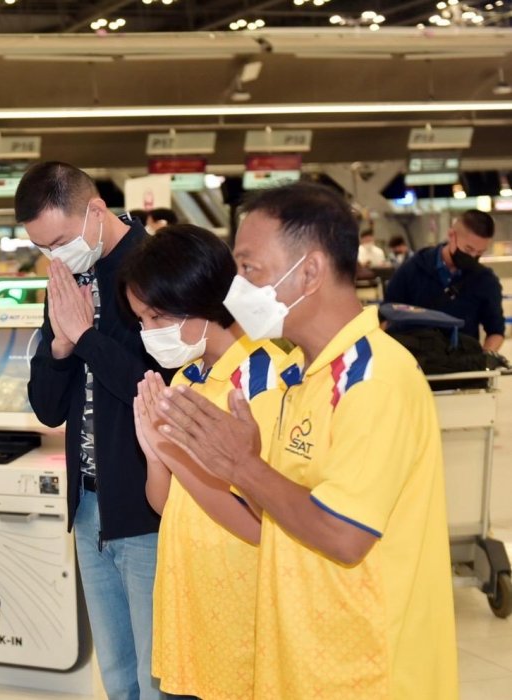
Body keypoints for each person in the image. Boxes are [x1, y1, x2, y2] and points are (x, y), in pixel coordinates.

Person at [155, 181, 457, 698]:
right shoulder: (301, 375)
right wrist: (236, 465)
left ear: (310, 272)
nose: (236, 290)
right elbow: (278, 510)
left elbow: (344, 535)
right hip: (302, 660)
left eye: (250, 269)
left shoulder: (373, 379)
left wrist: (242, 466)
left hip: (365, 672)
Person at [16, 161, 167, 700]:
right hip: (88, 507)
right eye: (42, 248)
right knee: (118, 674)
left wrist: (86, 337)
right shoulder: (66, 279)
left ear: (96, 212)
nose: (54, 257)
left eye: (59, 241)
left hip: (147, 505)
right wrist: (60, 347)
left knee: (158, 676)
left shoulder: (155, 270)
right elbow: (47, 408)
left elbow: (158, 390)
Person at [119, 225, 289, 700]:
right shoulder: (187, 379)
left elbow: (259, 525)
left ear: (200, 299)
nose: (149, 332)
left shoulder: (263, 382)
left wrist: (174, 453)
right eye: (141, 320)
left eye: (157, 316)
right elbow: (166, 505)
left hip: (243, 609)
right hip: (191, 602)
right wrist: (155, 454)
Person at [384, 209, 504, 352]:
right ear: (451, 235)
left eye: (480, 252)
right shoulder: (412, 269)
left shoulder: (485, 280)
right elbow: (386, 315)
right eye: (468, 249)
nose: (473, 257)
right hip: (414, 359)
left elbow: (496, 331)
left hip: (462, 361)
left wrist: (484, 358)